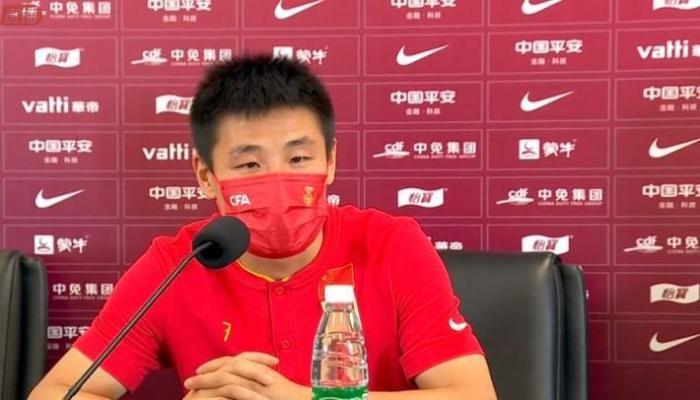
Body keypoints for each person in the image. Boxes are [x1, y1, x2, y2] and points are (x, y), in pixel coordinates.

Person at [29, 55, 497, 400]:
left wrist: (302, 399)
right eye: (249, 164)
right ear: (206, 175)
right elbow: (57, 393)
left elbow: (472, 395)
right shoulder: (176, 263)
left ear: (331, 161)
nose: (278, 181)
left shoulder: (391, 245)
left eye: (299, 158)